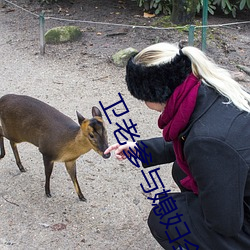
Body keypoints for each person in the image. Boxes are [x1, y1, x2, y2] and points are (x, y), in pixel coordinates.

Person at [104, 42, 250, 249]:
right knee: (182, 170)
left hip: (240, 221)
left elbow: (225, 224)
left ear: (155, 93)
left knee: (165, 216)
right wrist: (141, 150)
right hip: (240, 183)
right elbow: (191, 138)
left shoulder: (207, 143)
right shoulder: (209, 89)